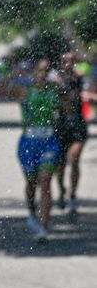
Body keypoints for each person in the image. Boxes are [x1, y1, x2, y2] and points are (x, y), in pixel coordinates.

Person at [17, 60, 60, 242]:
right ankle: (32, 212)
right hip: (28, 143)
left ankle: (43, 227)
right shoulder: (24, 90)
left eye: (46, 71)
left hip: (49, 142)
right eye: (39, 70)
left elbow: (71, 105)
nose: (43, 74)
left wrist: (64, 86)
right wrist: (11, 77)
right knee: (31, 183)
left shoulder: (55, 91)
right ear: (33, 72)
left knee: (45, 180)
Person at [55, 52, 88, 214]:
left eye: (70, 61)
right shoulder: (55, 80)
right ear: (60, 63)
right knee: (60, 164)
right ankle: (62, 191)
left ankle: (73, 194)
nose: (67, 63)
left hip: (78, 126)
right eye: (64, 61)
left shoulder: (80, 79)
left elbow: (89, 90)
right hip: (61, 127)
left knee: (73, 159)